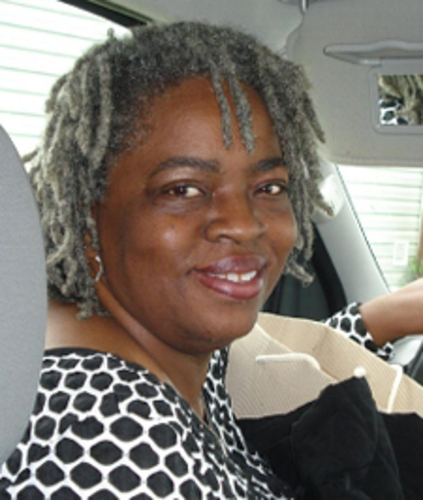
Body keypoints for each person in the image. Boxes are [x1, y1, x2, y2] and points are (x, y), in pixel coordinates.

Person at [0, 21, 416, 499]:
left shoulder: (158, 337)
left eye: (269, 187)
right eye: (182, 190)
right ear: (87, 217)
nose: (244, 224)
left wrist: (383, 318)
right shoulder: (111, 442)